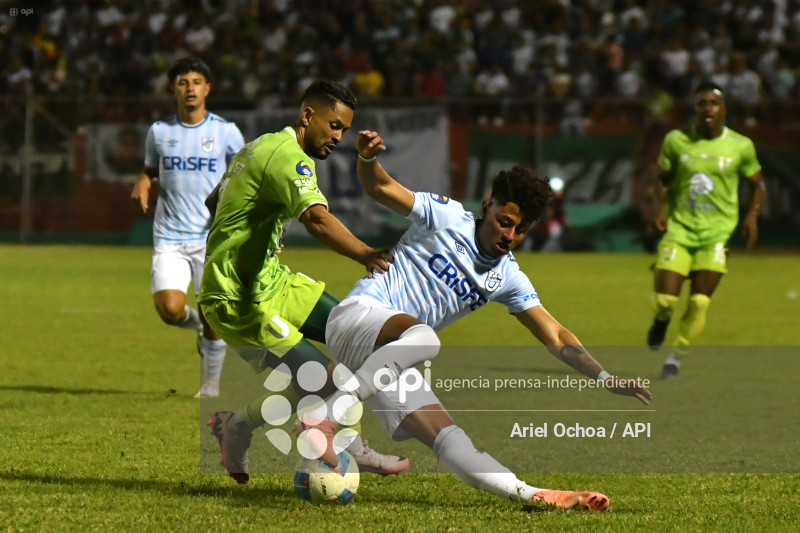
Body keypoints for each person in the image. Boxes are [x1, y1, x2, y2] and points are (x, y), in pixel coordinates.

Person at [310, 132, 651, 512]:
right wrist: (366, 158)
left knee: (451, 441)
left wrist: (604, 377)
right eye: (504, 221)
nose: (509, 235)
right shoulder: (446, 216)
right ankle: (324, 418)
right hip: (358, 316)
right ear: (487, 204)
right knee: (425, 338)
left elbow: (554, 333)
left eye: (520, 230)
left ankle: (536, 495)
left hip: (385, 358)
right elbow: (380, 186)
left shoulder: (508, 277)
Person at [199, 80, 409, 484]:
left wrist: (252, 236)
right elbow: (315, 219)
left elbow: (215, 201)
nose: (338, 137)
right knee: (325, 380)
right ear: (307, 115)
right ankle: (343, 442)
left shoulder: (260, 145)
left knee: (360, 336)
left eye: (344, 130)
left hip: (274, 283)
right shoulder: (289, 157)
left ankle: (237, 425)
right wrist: (366, 254)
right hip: (240, 299)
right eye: (333, 126)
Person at [130, 57, 245, 399]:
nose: (190, 88)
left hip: (212, 237)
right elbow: (150, 169)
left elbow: (249, 176)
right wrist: (143, 182)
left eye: (197, 81)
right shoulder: (159, 132)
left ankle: (209, 386)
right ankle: (201, 328)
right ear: (174, 89)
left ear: (207, 88)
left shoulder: (226, 131)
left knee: (214, 309)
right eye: (183, 82)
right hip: (169, 236)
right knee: (169, 309)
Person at [646, 81, 765, 379]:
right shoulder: (676, 140)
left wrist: (752, 215)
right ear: (695, 109)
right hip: (680, 229)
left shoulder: (740, 145)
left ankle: (675, 358)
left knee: (699, 302)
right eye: (702, 103)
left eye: (713, 103)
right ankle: (662, 319)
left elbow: (757, 184)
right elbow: (661, 178)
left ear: (723, 109)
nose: (708, 108)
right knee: (665, 300)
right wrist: (661, 207)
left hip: (716, 234)